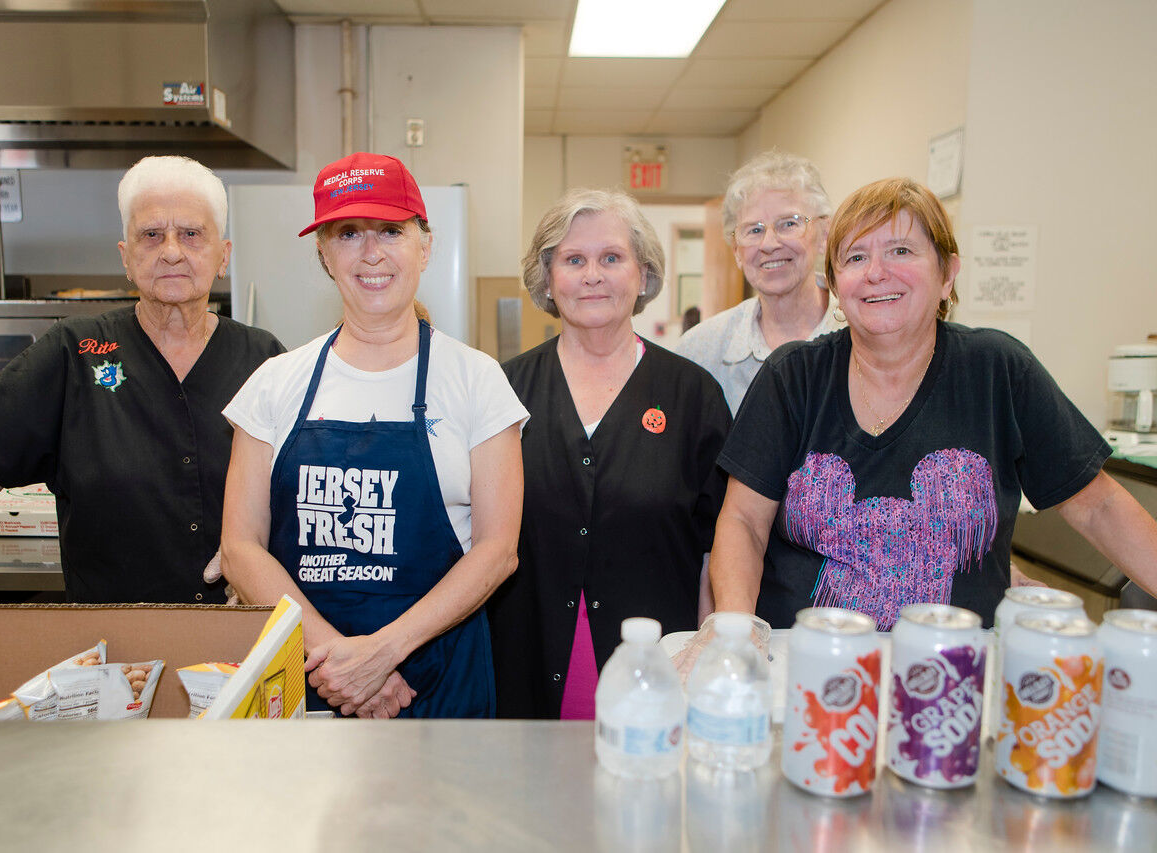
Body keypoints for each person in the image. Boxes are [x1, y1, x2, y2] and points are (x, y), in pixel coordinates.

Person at [710, 177, 1157, 629]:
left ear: (947, 274)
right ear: (837, 286)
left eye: (901, 251)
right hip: (808, 661)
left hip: (957, 669)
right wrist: (734, 638)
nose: (876, 272)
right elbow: (744, 522)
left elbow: (1098, 506)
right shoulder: (793, 376)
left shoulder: (997, 370)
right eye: (856, 257)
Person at [0, 156, 285, 611]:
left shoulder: (264, 361)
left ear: (223, 255)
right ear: (126, 258)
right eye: (151, 235)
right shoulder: (72, 354)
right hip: (110, 660)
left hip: (242, 649)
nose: (171, 250)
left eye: (191, 234)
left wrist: (265, 580)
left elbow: (306, 506)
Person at [220, 152, 526, 719]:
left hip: (439, 684)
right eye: (348, 233)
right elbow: (240, 548)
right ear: (323, 254)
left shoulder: (476, 379)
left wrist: (382, 654)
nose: (371, 252)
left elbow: (497, 550)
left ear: (425, 246)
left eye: (391, 230)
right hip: (310, 682)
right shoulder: (274, 384)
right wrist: (340, 662)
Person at [489, 188, 730, 720]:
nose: (592, 274)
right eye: (573, 260)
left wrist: (709, 650)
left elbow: (721, 544)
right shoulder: (503, 392)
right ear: (548, 279)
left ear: (643, 275)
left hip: (658, 670)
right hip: (525, 666)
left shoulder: (693, 395)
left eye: (611, 258)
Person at [676, 150, 843, 415]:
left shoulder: (861, 333)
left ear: (824, 234)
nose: (769, 244)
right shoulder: (700, 351)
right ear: (736, 252)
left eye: (789, 224)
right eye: (754, 230)